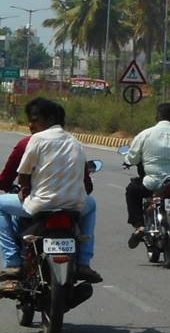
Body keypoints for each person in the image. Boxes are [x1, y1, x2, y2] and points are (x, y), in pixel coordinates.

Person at [0, 97, 103, 293]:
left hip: (40, 206)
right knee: (92, 205)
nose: (31, 125)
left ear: (49, 119)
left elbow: (22, 175)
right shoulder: (76, 142)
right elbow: (85, 184)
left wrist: (25, 189)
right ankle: (83, 262)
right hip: (73, 207)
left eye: (34, 120)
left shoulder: (34, 140)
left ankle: (12, 261)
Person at [125, 102, 170, 248]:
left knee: (132, 191)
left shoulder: (145, 135)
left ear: (157, 117)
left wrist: (128, 161)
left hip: (154, 183)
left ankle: (139, 226)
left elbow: (132, 158)